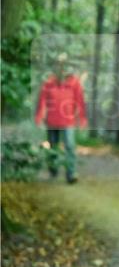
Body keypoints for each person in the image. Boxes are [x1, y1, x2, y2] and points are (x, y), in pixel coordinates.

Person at [35, 52, 87, 184]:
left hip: (68, 121)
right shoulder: (49, 82)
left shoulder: (74, 83)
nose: (62, 68)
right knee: (53, 146)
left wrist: (82, 118)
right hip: (52, 120)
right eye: (59, 64)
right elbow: (42, 101)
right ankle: (53, 170)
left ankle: (71, 174)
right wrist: (39, 117)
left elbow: (79, 101)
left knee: (70, 145)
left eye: (64, 65)